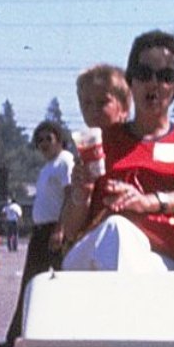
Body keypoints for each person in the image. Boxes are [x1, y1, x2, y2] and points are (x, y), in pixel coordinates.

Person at [62, 30, 174, 272]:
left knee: (120, 236)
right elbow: (70, 229)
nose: (153, 83)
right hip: (96, 249)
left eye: (165, 76)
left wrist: (145, 202)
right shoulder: (100, 141)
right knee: (116, 233)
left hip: (161, 255)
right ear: (131, 81)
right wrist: (82, 193)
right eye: (144, 74)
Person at [0, 120, 74, 347]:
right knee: (30, 283)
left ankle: (67, 334)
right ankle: (16, 336)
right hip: (40, 232)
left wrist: (61, 228)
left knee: (61, 282)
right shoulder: (46, 168)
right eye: (39, 141)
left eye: (48, 139)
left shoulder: (65, 162)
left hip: (55, 231)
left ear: (59, 139)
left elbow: (70, 197)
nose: (43, 144)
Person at [57, 64, 131, 249]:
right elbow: (71, 229)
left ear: (124, 108)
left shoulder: (134, 148)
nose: (93, 110)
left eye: (102, 102)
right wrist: (81, 196)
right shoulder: (84, 154)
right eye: (87, 103)